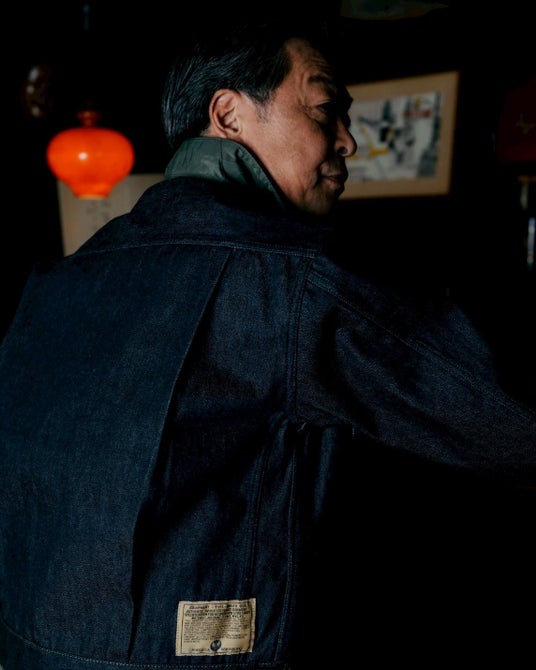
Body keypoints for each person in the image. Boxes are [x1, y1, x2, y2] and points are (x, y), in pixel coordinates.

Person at [1, 16, 535, 670]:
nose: (348, 139)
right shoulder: (289, 280)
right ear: (228, 114)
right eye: (325, 109)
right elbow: (513, 421)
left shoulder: (57, 279)